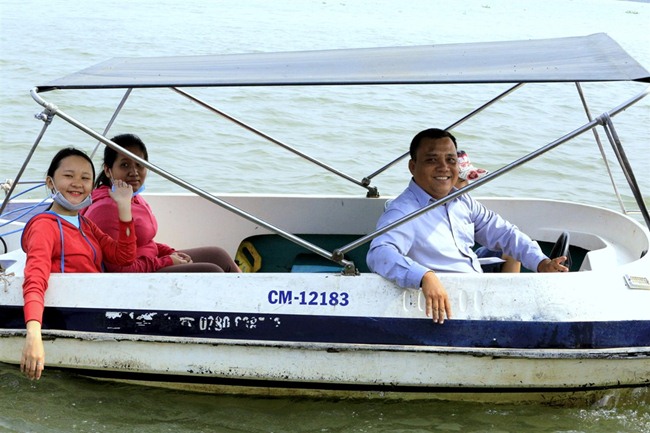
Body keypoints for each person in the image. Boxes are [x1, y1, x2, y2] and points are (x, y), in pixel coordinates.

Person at [366, 128, 568, 325]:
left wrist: (541, 262)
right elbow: (379, 253)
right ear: (413, 166)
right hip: (446, 311)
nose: (444, 167)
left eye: (451, 160)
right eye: (432, 160)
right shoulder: (403, 210)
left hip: (478, 295)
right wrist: (424, 276)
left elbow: (505, 233)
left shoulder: (461, 200)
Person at [21, 147, 137, 380]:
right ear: (50, 182)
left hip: (93, 308)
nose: (77, 183)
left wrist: (124, 205)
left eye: (85, 178)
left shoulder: (85, 223)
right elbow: (35, 277)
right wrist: (33, 335)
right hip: (68, 315)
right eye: (68, 175)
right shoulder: (44, 226)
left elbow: (124, 257)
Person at [82, 133, 241, 273]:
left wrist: (170, 252)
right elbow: (121, 270)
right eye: (125, 165)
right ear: (108, 170)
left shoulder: (131, 196)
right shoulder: (106, 209)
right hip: (136, 277)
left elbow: (145, 242)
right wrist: (167, 261)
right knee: (212, 272)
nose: (134, 172)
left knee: (218, 255)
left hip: (151, 262)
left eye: (139, 164)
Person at [455, 150, 520, 273]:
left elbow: (501, 231)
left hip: (468, 260)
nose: (468, 185)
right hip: (452, 269)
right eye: (463, 180)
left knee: (513, 251)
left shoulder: (467, 203)